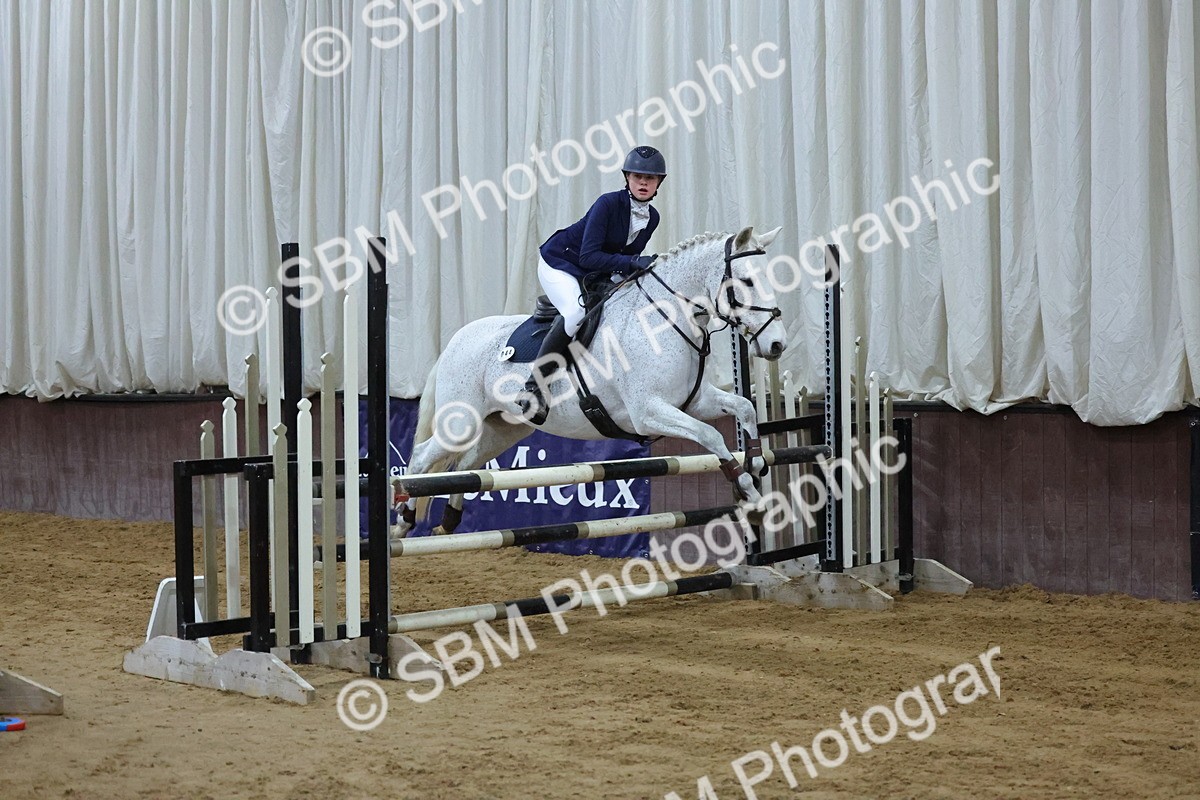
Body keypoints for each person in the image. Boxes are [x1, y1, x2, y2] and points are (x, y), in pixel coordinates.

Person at [517, 145, 667, 424]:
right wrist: (632, 263)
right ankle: (534, 389)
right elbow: (590, 254)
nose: (644, 183)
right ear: (627, 179)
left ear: (659, 182)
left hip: (592, 272)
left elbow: (622, 258)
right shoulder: (608, 204)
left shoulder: (652, 217)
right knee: (574, 314)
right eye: (637, 177)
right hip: (560, 263)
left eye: (650, 178)